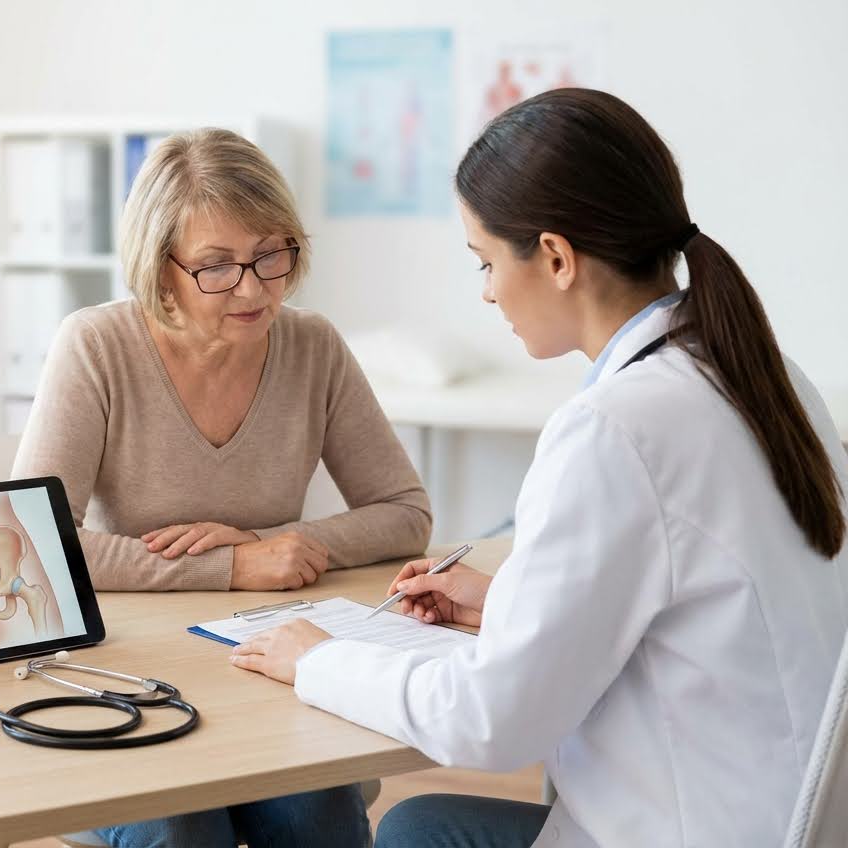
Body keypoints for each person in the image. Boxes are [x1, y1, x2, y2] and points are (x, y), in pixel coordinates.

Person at [229, 89, 848, 847]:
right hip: (783, 815)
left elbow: (491, 723)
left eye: (485, 261)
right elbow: (706, 604)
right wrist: (507, 604)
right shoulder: (769, 375)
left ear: (555, 258)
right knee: (427, 820)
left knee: (418, 834)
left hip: (694, 827)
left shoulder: (615, 429)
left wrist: (319, 661)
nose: (487, 291)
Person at [14, 128, 430, 846]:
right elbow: (29, 542)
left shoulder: (313, 347)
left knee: (320, 820)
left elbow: (405, 514)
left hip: (269, 669)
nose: (254, 288)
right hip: (132, 682)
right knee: (186, 832)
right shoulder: (96, 347)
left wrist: (282, 546)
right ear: (160, 268)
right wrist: (230, 567)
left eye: (271, 255)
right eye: (217, 266)